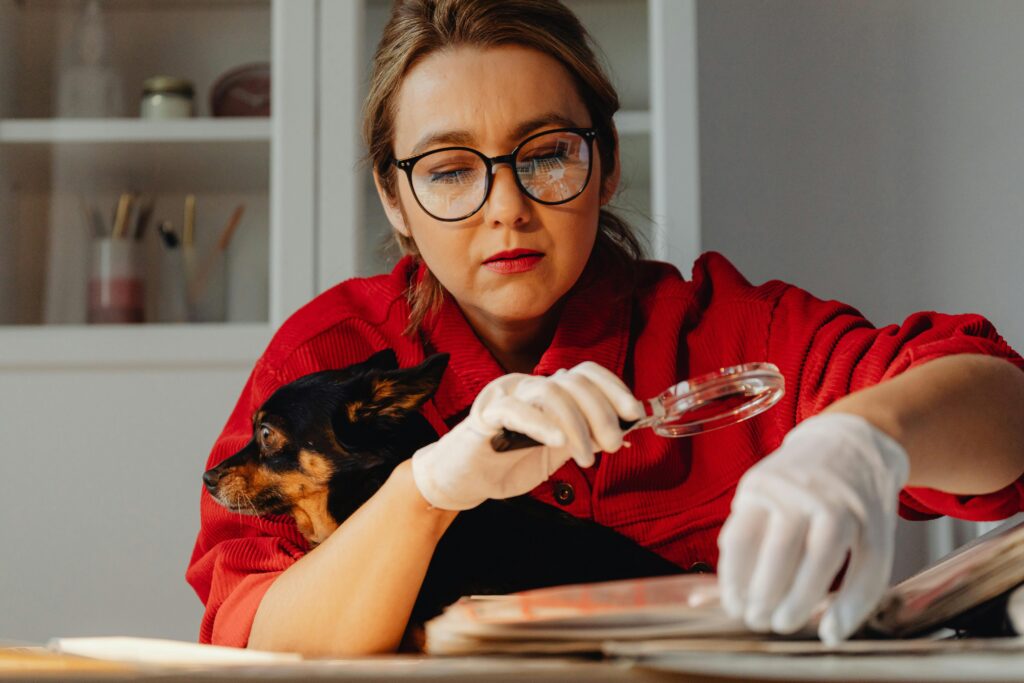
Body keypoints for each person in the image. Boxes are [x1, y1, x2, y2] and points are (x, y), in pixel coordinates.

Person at [187, 0, 1024, 657]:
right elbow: (255, 633)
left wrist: (861, 439)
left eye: (547, 153)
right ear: (393, 198)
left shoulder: (724, 332)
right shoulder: (324, 360)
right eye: (447, 171)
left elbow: (1002, 409)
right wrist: (427, 491)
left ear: (607, 161)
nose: (507, 208)